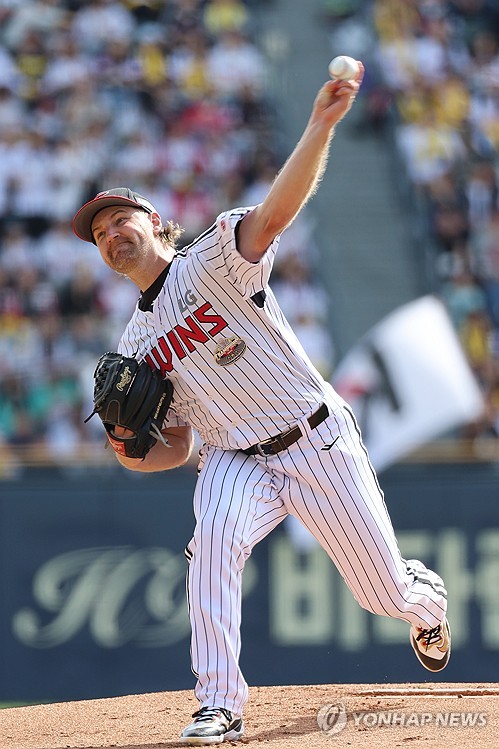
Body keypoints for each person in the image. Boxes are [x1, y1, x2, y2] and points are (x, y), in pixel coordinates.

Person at [72, 65, 451, 746]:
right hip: (232, 457)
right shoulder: (133, 346)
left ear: (154, 223)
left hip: (313, 438)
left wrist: (319, 125)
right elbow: (178, 445)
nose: (109, 235)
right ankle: (219, 703)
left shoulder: (215, 257)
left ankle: (423, 598)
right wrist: (127, 449)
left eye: (118, 220)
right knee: (209, 546)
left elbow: (275, 212)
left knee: (381, 594)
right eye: (98, 234)